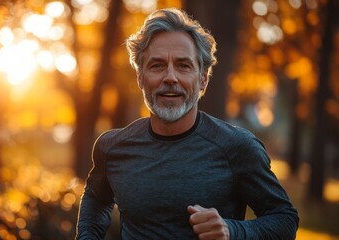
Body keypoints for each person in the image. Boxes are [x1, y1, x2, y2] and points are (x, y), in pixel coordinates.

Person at [76, 8, 299, 240]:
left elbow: (285, 220)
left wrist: (232, 230)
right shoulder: (112, 147)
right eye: (157, 65)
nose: (170, 77)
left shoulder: (238, 147)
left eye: (183, 65)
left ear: (203, 79)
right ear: (140, 77)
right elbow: (96, 199)